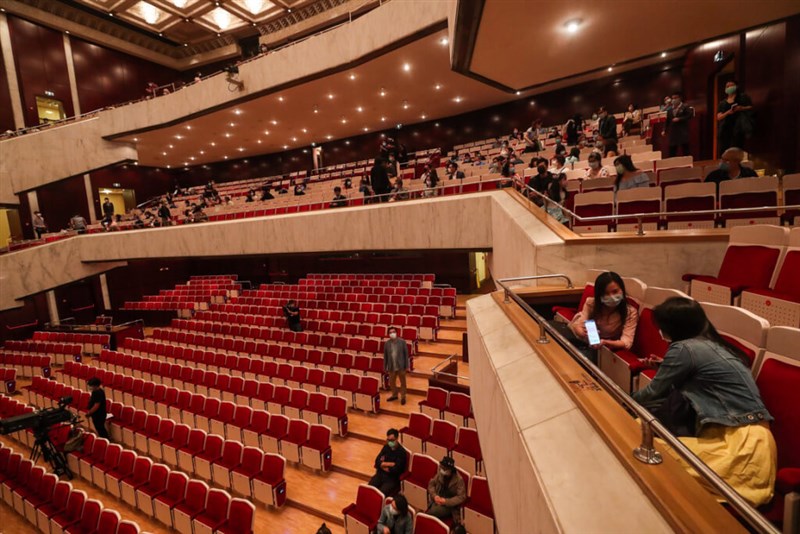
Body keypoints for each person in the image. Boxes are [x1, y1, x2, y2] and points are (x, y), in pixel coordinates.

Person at [633, 297, 776, 507]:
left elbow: (654, 392)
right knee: (640, 436)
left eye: (662, 327)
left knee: (649, 449)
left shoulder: (683, 348)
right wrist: (664, 366)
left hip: (741, 447)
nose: (660, 333)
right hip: (752, 438)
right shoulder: (713, 343)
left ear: (674, 328)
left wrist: (619, 399)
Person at [568, 271, 639, 363]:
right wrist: (584, 333)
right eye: (606, 294)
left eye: (615, 291)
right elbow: (579, 326)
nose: (611, 297)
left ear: (622, 290)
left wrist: (605, 342)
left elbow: (626, 342)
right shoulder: (591, 303)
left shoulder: (630, 312)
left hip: (605, 349)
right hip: (584, 341)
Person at [717, 81, 754, 155]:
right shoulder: (722, 103)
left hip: (739, 128)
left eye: (732, 85)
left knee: (737, 150)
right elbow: (719, 117)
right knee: (724, 151)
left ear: (736, 87)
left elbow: (751, 107)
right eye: (727, 86)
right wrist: (728, 112)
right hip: (725, 129)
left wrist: (741, 108)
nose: (729, 87)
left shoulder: (742, 97)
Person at [369, 429, 408, 497]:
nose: (390, 442)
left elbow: (396, 469)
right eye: (388, 440)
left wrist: (382, 465)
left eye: (392, 440)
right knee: (369, 488)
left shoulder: (402, 452)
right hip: (380, 475)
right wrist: (389, 464)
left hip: (392, 479)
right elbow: (377, 461)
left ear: (397, 438)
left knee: (380, 494)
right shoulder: (386, 447)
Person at [426, 456, 466, 523]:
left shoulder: (459, 480)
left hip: (449, 504)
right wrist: (435, 496)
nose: (442, 470)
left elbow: (461, 497)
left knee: (431, 513)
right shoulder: (440, 474)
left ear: (450, 470)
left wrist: (445, 501)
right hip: (438, 499)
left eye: (445, 469)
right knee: (432, 510)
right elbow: (431, 484)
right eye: (442, 467)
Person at [383, 327, 409, 405]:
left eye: (393, 332)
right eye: (390, 332)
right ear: (389, 334)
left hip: (401, 366)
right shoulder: (387, 344)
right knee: (392, 383)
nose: (392, 333)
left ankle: (403, 397)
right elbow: (385, 356)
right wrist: (385, 366)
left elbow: (406, 354)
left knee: (403, 382)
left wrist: (406, 366)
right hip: (391, 367)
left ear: (396, 333)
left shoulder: (402, 342)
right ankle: (394, 395)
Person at [663, 92, 692, 157]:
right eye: (672, 98)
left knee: (686, 151)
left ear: (679, 98)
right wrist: (664, 130)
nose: (673, 100)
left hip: (683, 132)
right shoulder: (669, 110)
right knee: (672, 152)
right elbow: (667, 121)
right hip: (673, 133)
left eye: (675, 98)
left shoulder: (685, 107)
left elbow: (689, 115)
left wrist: (679, 119)